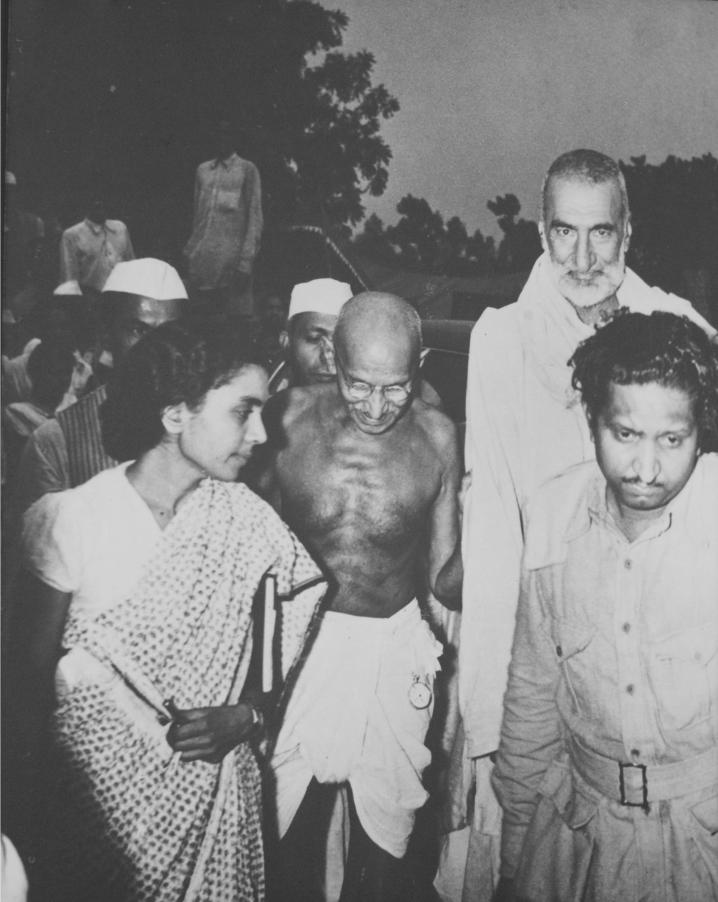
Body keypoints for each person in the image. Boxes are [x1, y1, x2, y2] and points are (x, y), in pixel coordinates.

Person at [438, 149, 718, 902]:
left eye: (602, 233)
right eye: (565, 232)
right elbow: (493, 516)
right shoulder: (502, 339)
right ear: (541, 232)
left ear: (628, 232)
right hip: (547, 635)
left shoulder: (680, 327)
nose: (584, 257)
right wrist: (488, 710)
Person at [9, 321, 326, 901]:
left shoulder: (248, 522)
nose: (261, 433)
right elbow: (24, 692)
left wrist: (247, 717)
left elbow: (281, 642)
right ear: (176, 414)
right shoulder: (71, 520)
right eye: (243, 412)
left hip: (210, 805)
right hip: (87, 815)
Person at [492, 311, 718, 902]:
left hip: (703, 841)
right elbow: (532, 696)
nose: (646, 468)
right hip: (581, 840)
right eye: (625, 435)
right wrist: (515, 855)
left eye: (672, 440)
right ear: (592, 422)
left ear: (700, 431)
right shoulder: (552, 514)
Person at [257, 292, 463, 901]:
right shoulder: (283, 419)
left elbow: (445, 580)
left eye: (396, 387)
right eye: (359, 384)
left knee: (389, 846)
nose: (376, 406)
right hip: (296, 649)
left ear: (419, 364)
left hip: (391, 646)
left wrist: (505, 531)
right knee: (276, 836)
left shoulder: (438, 437)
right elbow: (246, 549)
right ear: (333, 359)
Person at [14, 258, 187, 513]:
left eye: (169, 332)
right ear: (106, 333)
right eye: (138, 331)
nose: (157, 348)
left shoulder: (203, 428)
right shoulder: (55, 441)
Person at [184, 119, 263, 318]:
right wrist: (191, 254)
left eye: (227, 134)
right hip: (202, 265)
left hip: (232, 268)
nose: (222, 139)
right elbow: (197, 217)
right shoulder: (203, 170)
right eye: (218, 134)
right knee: (200, 323)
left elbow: (254, 219)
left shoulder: (247, 169)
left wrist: (245, 265)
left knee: (230, 325)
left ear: (235, 138)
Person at [269, 278, 353, 391]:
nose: (328, 357)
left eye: (340, 341)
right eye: (315, 338)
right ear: (286, 342)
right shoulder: (265, 395)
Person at [59, 198, 135, 296]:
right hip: (91, 297)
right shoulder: (72, 234)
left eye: (102, 201)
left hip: (122, 293)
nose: (100, 205)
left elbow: (131, 263)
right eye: (96, 204)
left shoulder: (120, 228)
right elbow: (69, 277)